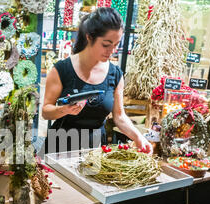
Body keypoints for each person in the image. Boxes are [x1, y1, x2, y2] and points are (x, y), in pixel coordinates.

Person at [41, 7, 152, 155]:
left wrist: (139, 138)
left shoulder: (115, 74)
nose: (112, 50)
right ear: (89, 37)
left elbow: (119, 116)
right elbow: (46, 112)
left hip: (94, 149)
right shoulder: (62, 69)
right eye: (106, 44)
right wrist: (64, 110)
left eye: (116, 44)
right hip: (61, 146)